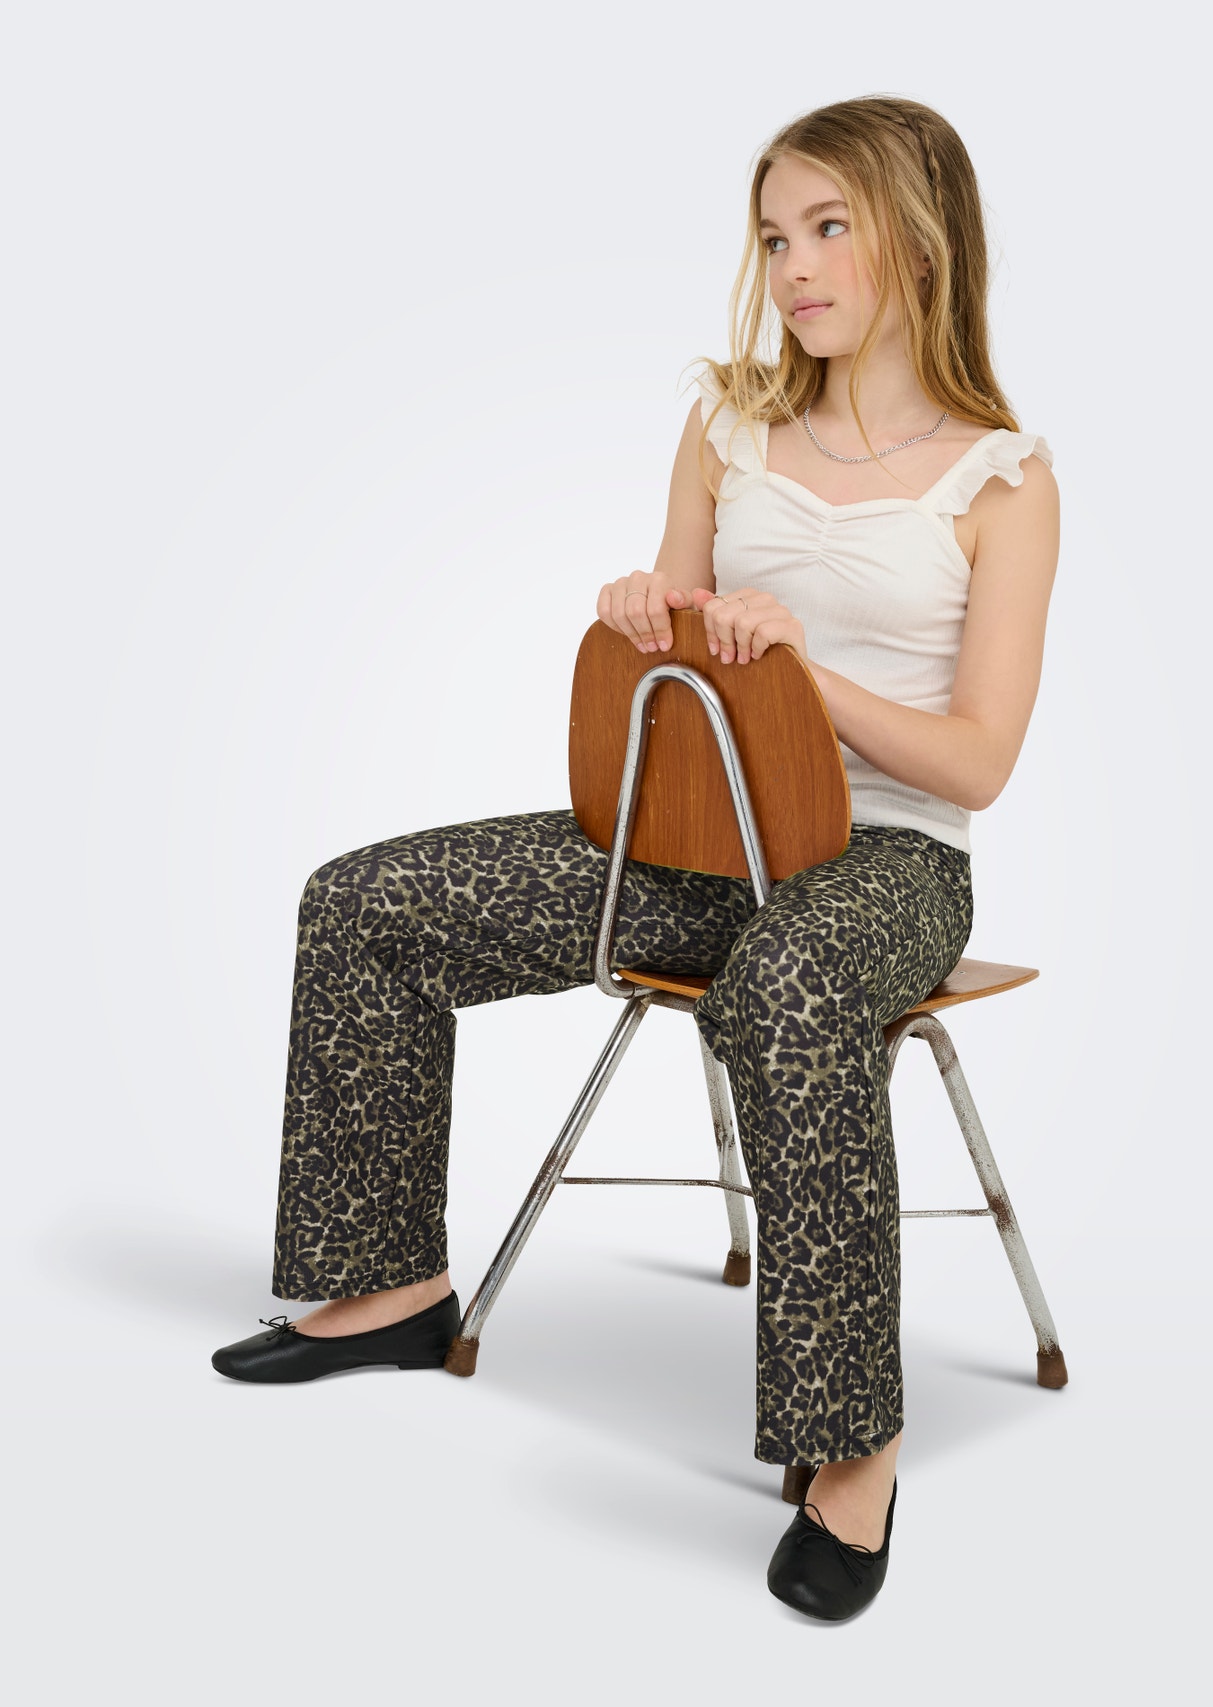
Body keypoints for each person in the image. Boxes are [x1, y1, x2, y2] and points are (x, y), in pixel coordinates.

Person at [211, 94, 1059, 1623]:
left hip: (889, 866)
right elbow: (680, 657)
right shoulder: (728, 425)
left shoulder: (1002, 479)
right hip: (703, 840)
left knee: (788, 980)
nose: (795, 267)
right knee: (365, 905)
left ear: (923, 240)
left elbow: (981, 758)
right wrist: (646, 618)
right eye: (774, 236)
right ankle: (391, 1286)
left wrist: (805, 676)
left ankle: (850, 1446)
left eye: (830, 228)